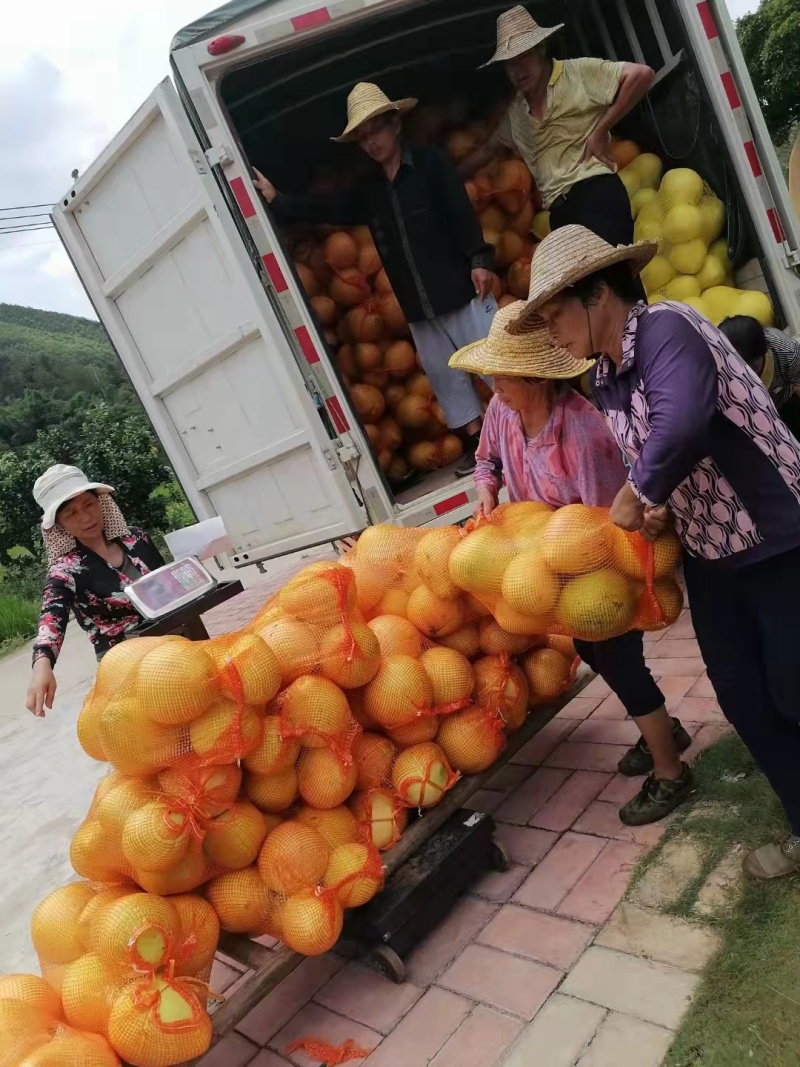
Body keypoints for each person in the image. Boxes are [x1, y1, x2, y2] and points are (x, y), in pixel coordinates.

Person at [517, 223, 800, 880]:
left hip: (779, 535)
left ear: (596, 294)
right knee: (742, 695)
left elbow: (682, 420)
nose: (554, 335)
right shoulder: (607, 377)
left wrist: (637, 489)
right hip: (714, 557)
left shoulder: (667, 327)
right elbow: (663, 451)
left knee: (792, 687)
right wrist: (658, 506)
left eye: (556, 315)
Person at [450, 302, 694, 826]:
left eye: (502, 375)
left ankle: (671, 770)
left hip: (599, 570)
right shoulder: (502, 412)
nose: (494, 385)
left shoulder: (581, 432)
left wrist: (567, 568)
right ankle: (662, 731)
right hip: (552, 567)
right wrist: (486, 491)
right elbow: (485, 460)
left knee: (620, 660)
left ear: (534, 376)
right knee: (595, 652)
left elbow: (610, 528)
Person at [252, 82, 497, 476]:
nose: (371, 142)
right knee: (444, 375)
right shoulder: (371, 190)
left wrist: (479, 258)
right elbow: (331, 207)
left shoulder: (430, 165)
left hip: (460, 287)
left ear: (394, 125)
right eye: (363, 138)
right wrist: (281, 200)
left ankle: (533, 430)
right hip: (417, 304)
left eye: (375, 131)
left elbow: (460, 211)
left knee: (496, 362)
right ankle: (480, 446)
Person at [460, 6, 654, 246]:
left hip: (597, 194)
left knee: (609, 279)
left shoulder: (576, 73)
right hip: (561, 215)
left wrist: (601, 129)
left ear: (540, 49)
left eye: (524, 57)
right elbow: (487, 151)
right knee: (599, 282)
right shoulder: (516, 116)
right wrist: (450, 181)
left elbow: (641, 75)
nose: (518, 70)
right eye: (510, 64)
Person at [26, 465, 164, 717]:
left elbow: (170, 584)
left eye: (88, 504)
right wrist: (42, 665)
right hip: (127, 664)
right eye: (71, 513)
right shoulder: (66, 571)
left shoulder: (136, 539)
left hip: (176, 639)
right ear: (59, 525)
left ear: (101, 502)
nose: (85, 517)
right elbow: (51, 618)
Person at [718, 315, 800, 438]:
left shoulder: (787, 351)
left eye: (751, 367)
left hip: (782, 401)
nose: (745, 373)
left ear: (765, 350)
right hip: (741, 411)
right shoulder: (712, 362)